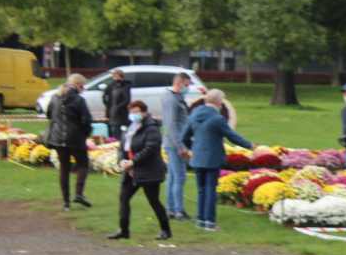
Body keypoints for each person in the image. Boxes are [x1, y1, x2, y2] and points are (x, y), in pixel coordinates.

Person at [180, 89, 254, 231]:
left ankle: (201, 220)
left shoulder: (194, 114)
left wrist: (192, 149)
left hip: (197, 159)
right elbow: (232, 136)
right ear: (219, 102)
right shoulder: (217, 119)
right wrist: (250, 146)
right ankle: (210, 222)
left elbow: (184, 137)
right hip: (212, 159)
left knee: (201, 190)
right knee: (210, 190)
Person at [108, 100, 171, 241]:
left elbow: (150, 148)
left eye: (136, 112)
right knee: (124, 198)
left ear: (144, 112)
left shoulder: (152, 128)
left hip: (149, 171)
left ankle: (166, 230)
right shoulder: (131, 127)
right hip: (131, 171)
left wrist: (133, 161)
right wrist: (122, 160)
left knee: (153, 201)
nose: (133, 115)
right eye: (131, 112)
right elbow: (123, 146)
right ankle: (123, 230)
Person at [45, 73, 93, 210]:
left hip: (58, 139)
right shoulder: (79, 100)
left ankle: (66, 202)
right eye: (82, 86)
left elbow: (49, 115)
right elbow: (86, 120)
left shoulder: (55, 97)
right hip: (76, 138)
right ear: (78, 85)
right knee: (83, 165)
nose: (83, 89)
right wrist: (86, 134)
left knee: (64, 169)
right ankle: (79, 193)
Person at [161, 72, 192, 221]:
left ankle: (171, 209)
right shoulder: (171, 99)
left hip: (175, 142)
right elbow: (171, 125)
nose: (189, 87)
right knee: (179, 177)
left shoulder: (177, 97)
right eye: (187, 85)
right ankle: (178, 211)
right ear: (179, 83)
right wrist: (180, 147)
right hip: (175, 143)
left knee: (173, 177)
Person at [102, 68, 132, 142]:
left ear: (120, 76)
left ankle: (121, 143)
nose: (114, 77)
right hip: (113, 113)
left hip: (121, 113)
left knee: (122, 132)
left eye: (115, 75)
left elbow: (127, 100)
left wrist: (117, 107)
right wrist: (108, 107)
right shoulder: (111, 85)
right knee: (114, 130)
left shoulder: (125, 86)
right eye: (113, 75)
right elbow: (105, 97)